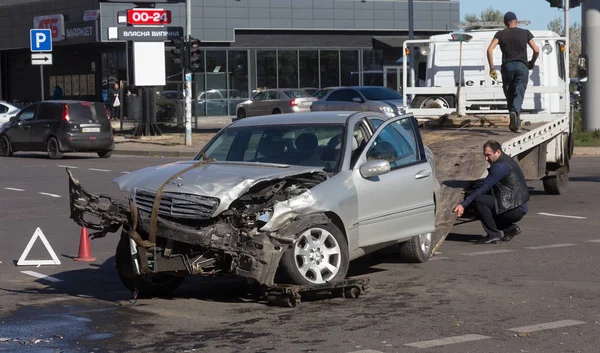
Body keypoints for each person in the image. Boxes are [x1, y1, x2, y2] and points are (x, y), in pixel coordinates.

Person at [453, 140, 529, 244]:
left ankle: (493, 235)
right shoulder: (504, 160)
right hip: (514, 204)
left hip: (514, 208)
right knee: (483, 200)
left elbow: (486, 186)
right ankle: (509, 229)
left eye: (488, 155)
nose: (486, 158)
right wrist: (473, 185)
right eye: (484, 155)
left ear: (498, 152)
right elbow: (490, 182)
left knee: (479, 201)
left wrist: (463, 204)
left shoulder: (500, 166)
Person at [487, 11, 540, 133]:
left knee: (509, 93)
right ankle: (515, 114)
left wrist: (492, 68)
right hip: (522, 66)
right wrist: (532, 62)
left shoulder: (500, 34)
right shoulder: (525, 33)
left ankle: (515, 124)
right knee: (519, 92)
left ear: (505, 23)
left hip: (507, 66)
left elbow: (489, 49)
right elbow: (536, 50)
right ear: (516, 20)